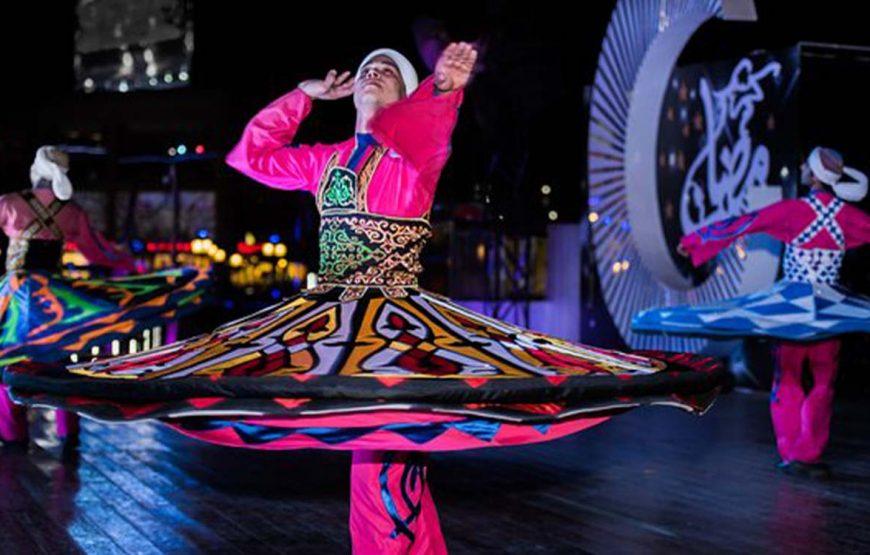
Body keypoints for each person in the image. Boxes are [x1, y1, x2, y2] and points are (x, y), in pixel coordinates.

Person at [6, 46, 724, 552]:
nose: (376, 73)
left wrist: (443, 87)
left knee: (388, 449)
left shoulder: (414, 149)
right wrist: (302, 99)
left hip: (398, 324)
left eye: (390, 70)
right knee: (371, 449)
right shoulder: (323, 161)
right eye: (369, 68)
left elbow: (435, 128)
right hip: (331, 321)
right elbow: (249, 157)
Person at [634, 146, 870, 479]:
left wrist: (695, 241)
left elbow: (744, 223)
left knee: (787, 376)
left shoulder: (795, 210)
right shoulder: (849, 216)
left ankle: (792, 453)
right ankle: (809, 453)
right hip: (828, 310)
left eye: (806, 165)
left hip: (791, 309)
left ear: (814, 174)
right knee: (823, 381)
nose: (802, 167)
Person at [0, 146, 208, 445]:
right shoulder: (71, 212)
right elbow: (98, 252)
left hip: (16, 296)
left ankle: (12, 436)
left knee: (7, 359)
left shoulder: (8, 203)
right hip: (56, 300)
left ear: (36, 171)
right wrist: (133, 265)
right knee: (56, 363)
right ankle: (67, 433)